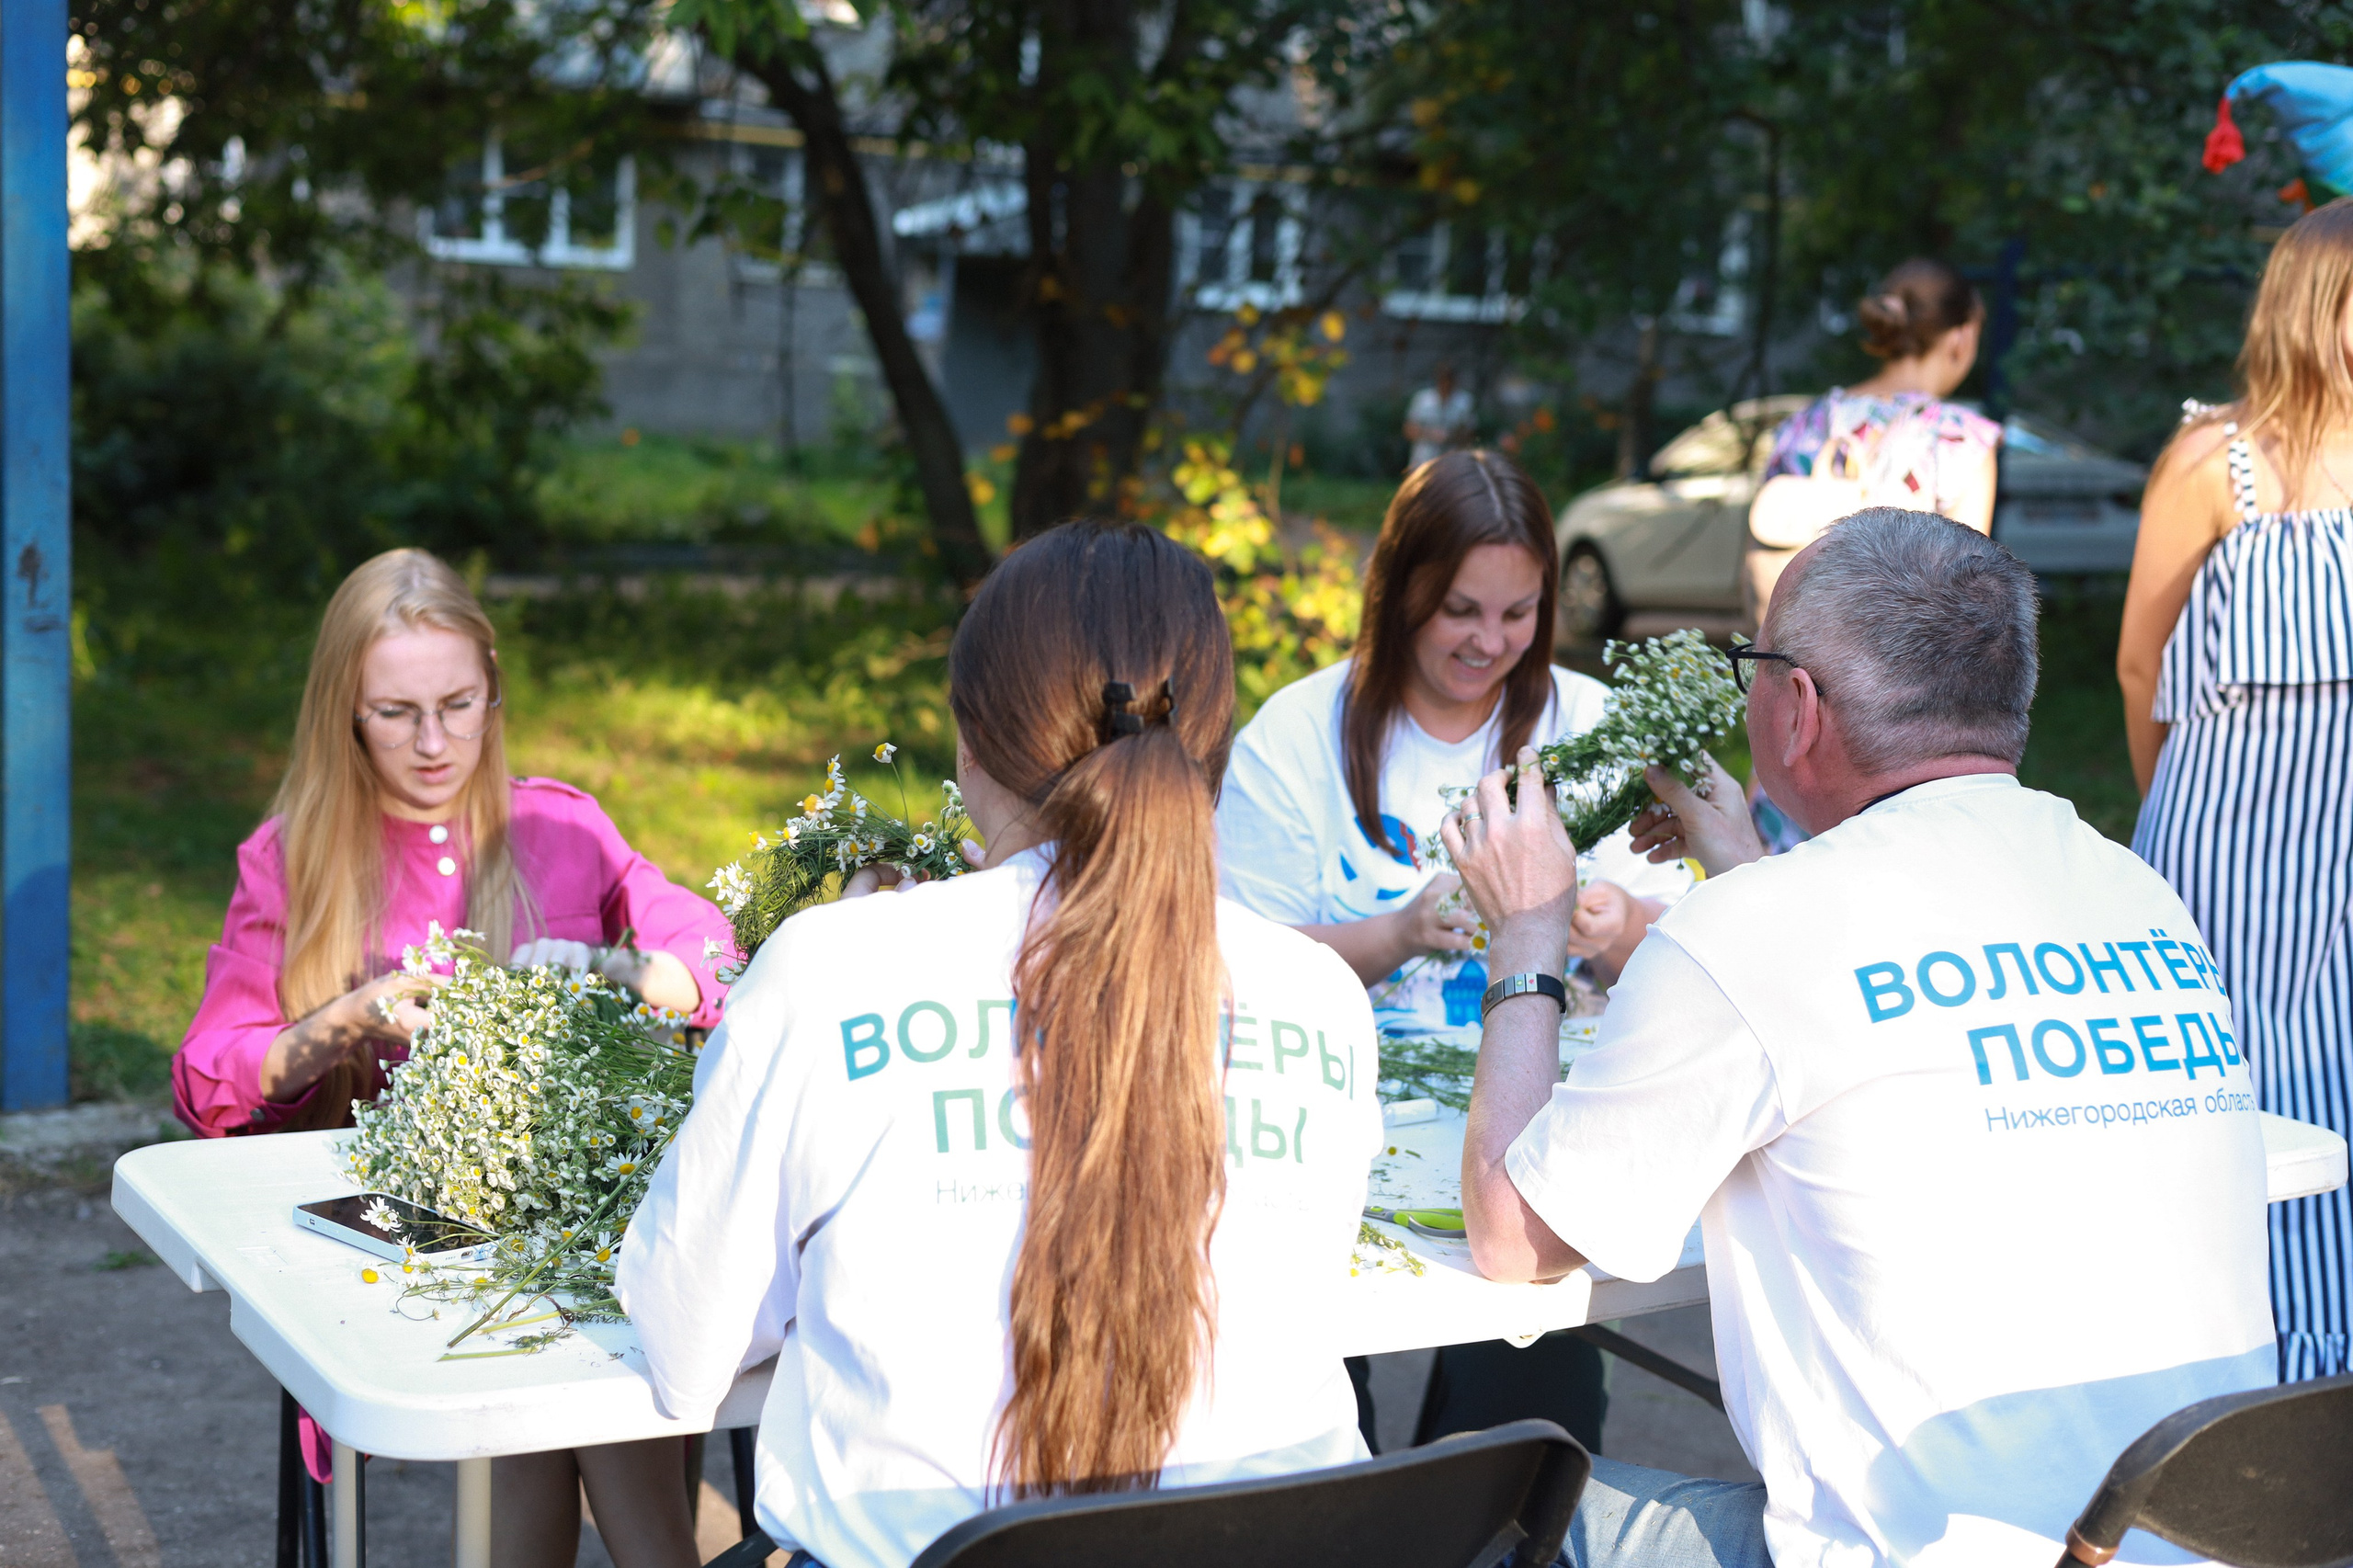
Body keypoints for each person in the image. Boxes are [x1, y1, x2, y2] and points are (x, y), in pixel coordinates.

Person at [1452, 509, 2274, 1568]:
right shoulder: (2135, 891)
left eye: (1753, 662)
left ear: (1796, 707)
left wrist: (1528, 926)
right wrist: (1747, 869)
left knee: (1476, 1499)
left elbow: (1515, 1239)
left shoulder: (1756, 933)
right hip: (2188, 1542)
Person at [617, 523, 1382, 1568]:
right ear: (1216, 750)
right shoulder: (1321, 995)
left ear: (969, 743)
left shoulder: (832, 971)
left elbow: (684, 1347)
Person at [172, 548, 730, 1568]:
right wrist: (350, 1018)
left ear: (493, 689)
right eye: (395, 713)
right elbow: (212, 1078)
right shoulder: (293, 855)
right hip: (385, 1246)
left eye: (458, 705)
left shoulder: (561, 824)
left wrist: (634, 969)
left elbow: (706, 952)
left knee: (571, 1328)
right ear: (346, 713)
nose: (434, 743)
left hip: (560, 1232)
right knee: (572, 1341)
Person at [1216, 449, 1693, 1453]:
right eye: (1459, 610)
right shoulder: (1298, 733)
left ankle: (1488, 1506)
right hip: (1338, 1127)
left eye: (1517, 612)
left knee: (1528, 1385)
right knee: (1297, 1379)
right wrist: (1395, 934)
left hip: (1533, 1124)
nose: (1489, 641)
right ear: (1400, 593)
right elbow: (1231, 969)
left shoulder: (1584, 722)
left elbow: (1692, 952)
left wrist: (1608, 925)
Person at [2121, 197, 2353, 1381]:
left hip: (2346, 856)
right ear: (2316, 309)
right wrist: (2171, 828)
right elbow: (2138, 664)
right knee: (2248, 1105)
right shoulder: (2215, 462)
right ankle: (2248, 1377)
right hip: (2230, 861)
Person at [1746, 257, 2004, 851]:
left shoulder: (1805, 426)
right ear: (1962, 337)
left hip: (1794, 728)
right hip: (1904, 748)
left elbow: (1760, 580)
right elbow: (1967, 623)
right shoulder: (1960, 441)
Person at [1404, 362, 1476, 471]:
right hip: (1423, 460)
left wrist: (1451, 436)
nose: (1446, 384)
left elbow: (1470, 433)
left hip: (1452, 461)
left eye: (1449, 380)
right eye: (1443, 380)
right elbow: (1408, 430)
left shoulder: (1464, 401)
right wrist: (1431, 434)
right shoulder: (1423, 399)